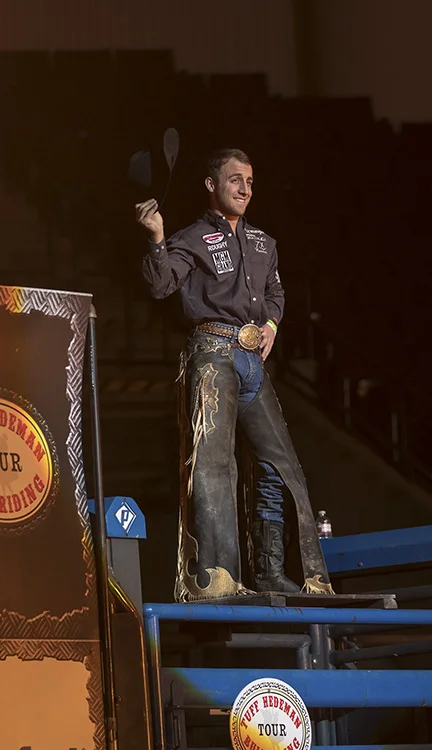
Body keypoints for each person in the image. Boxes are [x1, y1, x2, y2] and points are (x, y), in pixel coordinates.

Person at [134, 148, 334, 602]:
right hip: (212, 352)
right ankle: (217, 577)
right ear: (211, 185)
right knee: (214, 464)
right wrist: (157, 237)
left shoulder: (263, 242)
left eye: (250, 181)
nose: (245, 189)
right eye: (235, 180)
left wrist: (272, 325)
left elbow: (276, 292)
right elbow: (162, 285)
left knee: (279, 462)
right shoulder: (192, 238)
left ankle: (272, 570)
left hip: (251, 360)